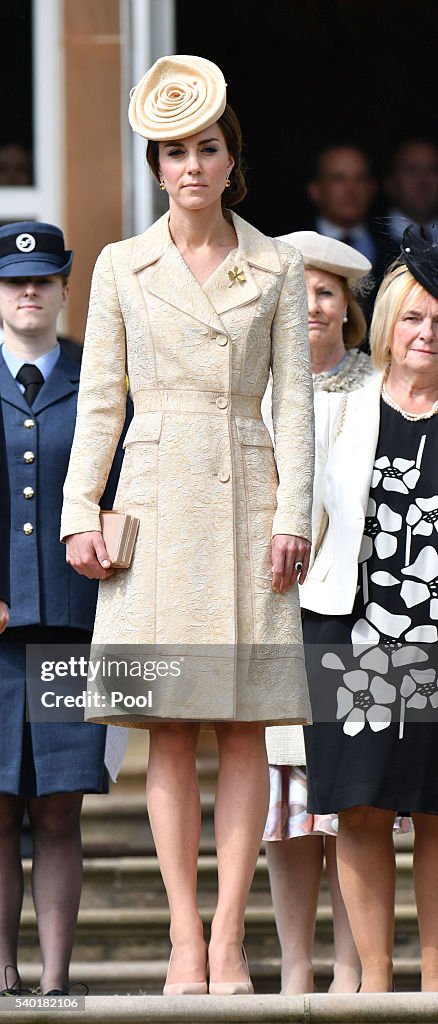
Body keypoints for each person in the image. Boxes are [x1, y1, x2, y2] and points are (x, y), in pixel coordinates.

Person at [60, 55, 314, 996]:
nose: (192, 166)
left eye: (207, 147)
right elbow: (98, 405)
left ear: (230, 158)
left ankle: (232, 941)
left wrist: (295, 512)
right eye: (174, 151)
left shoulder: (279, 264)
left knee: (243, 728)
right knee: (166, 730)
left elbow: (297, 405)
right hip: (158, 502)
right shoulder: (123, 266)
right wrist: (81, 510)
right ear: (157, 166)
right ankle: (179, 936)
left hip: (249, 499)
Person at [300, 224, 438, 993]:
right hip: (359, 637)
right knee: (361, 808)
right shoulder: (342, 403)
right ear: (387, 321)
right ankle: (380, 990)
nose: (427, 332)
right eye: (414, 316)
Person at [0, 221, 128, 997]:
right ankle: (1, 971)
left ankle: (54, 981)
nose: (28, 292)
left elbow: (123, 494)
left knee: (56, 811)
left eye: (42, 280)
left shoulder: (100, 379)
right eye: (15, 282)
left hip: (76, 632)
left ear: (63, 288)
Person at [262, 233, 373, 995]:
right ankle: (298, 969)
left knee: (354, 807)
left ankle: (353, 970)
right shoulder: (259, 388)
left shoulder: (382, 388)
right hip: (279, 614)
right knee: (290, 804)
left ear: (349, 307)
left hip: (367, 622)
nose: (312, 306)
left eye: (327, 292)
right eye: (298, 292)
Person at [377, 139, 438, 270]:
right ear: (390, 182)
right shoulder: (369, 241)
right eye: (411, 170)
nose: (423, 181)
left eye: (433, 170)